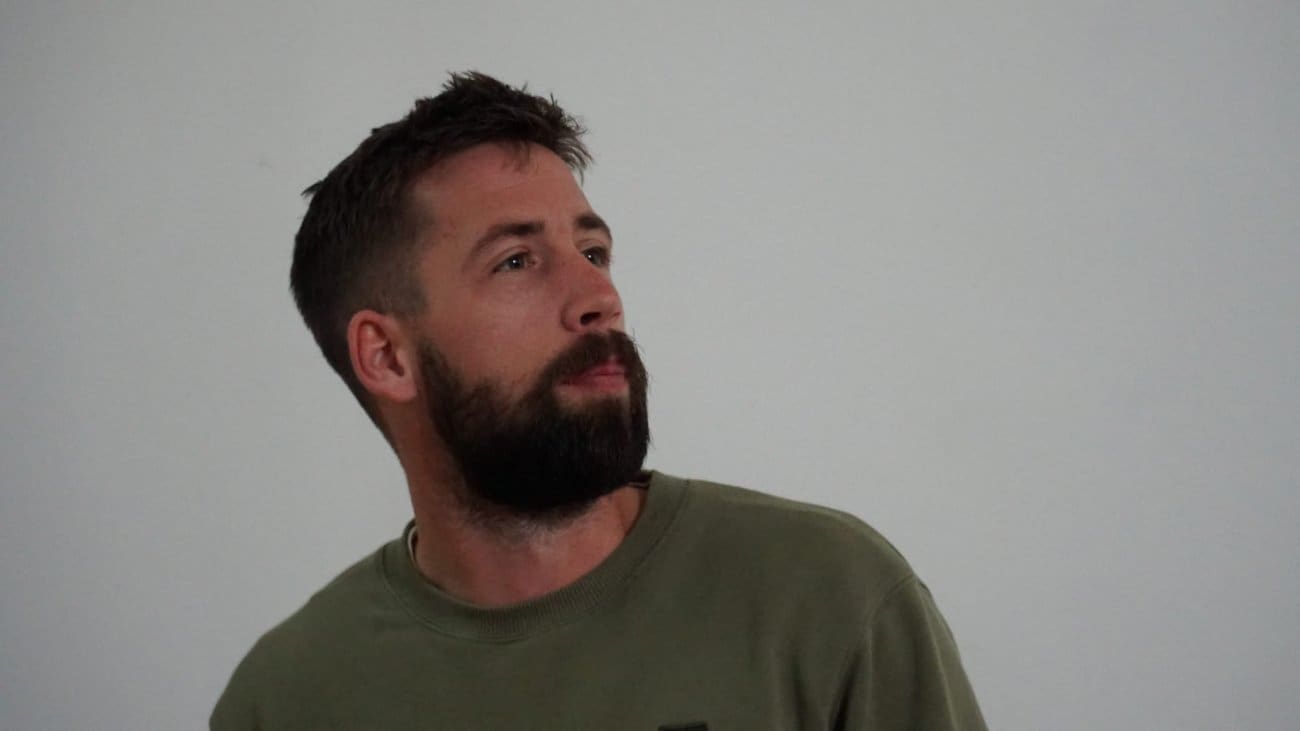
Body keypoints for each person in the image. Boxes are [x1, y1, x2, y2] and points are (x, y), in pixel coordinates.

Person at [211, 71, 987, 730]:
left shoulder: (831, 601)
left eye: (593, 250)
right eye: (516, 261)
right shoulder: (285, 699)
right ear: (386, 356)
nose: (599, 296)